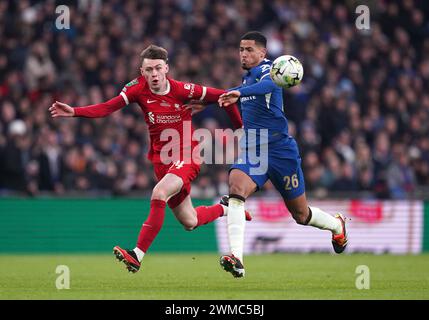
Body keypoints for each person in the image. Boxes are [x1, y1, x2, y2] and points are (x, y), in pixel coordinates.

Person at [49, 44, 251, 273]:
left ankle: (136, 255)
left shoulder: (183, 89)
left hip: (187, 155)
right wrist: (74, 111)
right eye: (148, 70)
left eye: (157, 69)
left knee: (159, 193)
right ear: (141, 71)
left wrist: (240, 128)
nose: (153, 74)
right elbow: (107, 107)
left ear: (167, 68)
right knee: (190, 221)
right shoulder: (136, 89)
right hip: (162, 161)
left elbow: (225, 97)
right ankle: (225, 208)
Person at [217, 31, 348, 278]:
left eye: (249, 50)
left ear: (262, 53)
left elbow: (269, 85)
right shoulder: (247, 79)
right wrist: (211, 100)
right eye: (241, 49)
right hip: (255, 150)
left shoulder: (271, 71)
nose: (243, 54)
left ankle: (336, 224)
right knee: (236, 187)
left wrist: (239, 93)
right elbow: (234, 92)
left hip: (281, 152)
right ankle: (237, 259)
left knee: (301, 214)